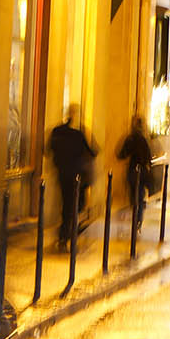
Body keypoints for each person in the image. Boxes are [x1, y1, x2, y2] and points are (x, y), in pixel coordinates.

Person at [48, 106, 97, 248]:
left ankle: (65, 231)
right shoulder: (78, 135)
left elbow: (48, 150)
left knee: (66, 202)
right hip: (75, 175)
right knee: (75, 204)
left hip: (62, 174)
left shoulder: (56, 131)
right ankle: (67, 232)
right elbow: (93, 151)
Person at [116, 115, 154, 238]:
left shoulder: (130, 139)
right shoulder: (143, 139)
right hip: (141, 172)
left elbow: (121, 154)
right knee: (140, 197)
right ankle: (138, 223)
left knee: (134, 198)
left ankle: (136, 220)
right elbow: (149, 156)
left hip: (132, 171)